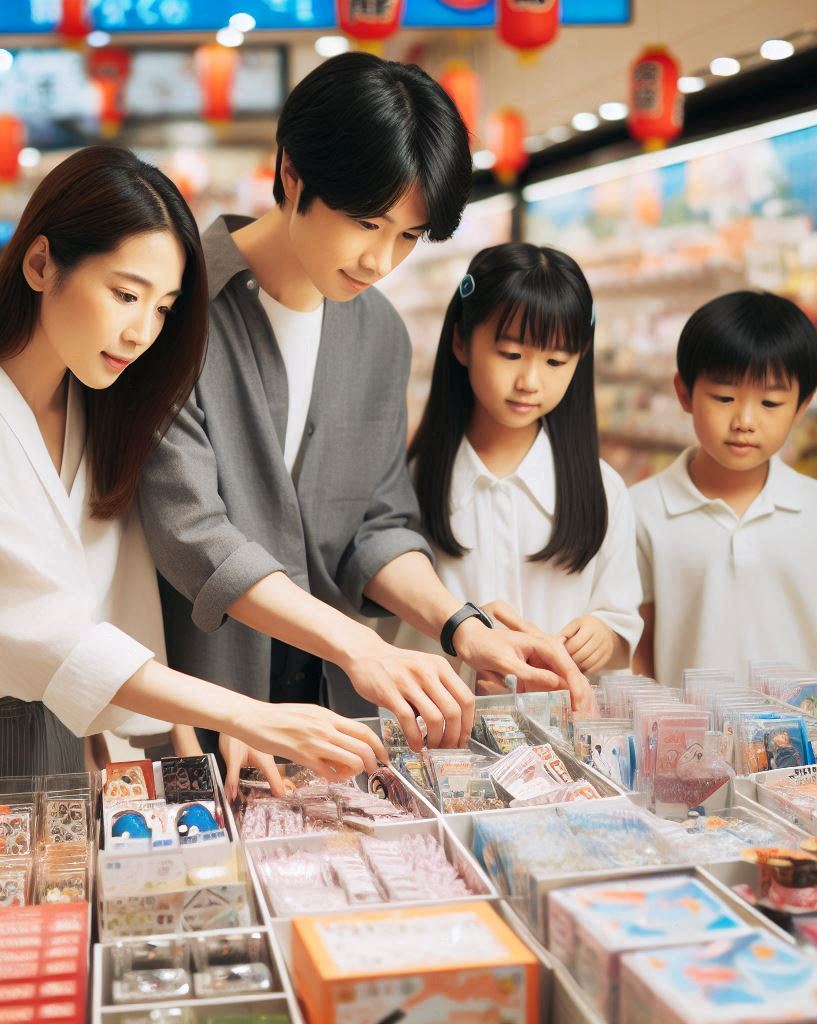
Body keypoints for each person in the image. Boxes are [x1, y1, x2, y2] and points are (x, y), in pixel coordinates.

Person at [0, 146, 383, 793]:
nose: (141, 332)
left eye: (162, 308)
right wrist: (244, 711)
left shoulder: (96, 408)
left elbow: (122, 604)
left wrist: (193, 729)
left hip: (47, 744)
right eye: (125, 294)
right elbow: (30, 625)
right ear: (41, 263)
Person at [140, 53, 587, 788]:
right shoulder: (175, 307)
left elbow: (376, 523)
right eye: (367, 222)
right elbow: (192, 533)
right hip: (200, 709)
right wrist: (361, 645)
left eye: (409, 236)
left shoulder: (378, 333)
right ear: (292, 175)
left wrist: (461, 627)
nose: (381, 259)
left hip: (336, 717)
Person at [396, 244, 642, 676]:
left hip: (559, 733)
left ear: (579, 359)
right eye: (511, 355)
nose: (530, 381)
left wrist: (602, 635)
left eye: (554, 361)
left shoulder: (603, 489)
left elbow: (622, 626)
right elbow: (382, 631)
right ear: (461, 342)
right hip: (440, 734)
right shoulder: (407, 485)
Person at [632, 291, 817, 685]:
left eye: (770, 403)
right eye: (724, 397)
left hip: (805, 739)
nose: (744, 420)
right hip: (689, 743)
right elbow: (637, 648)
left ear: (802, 406)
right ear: (684, 393)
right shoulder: (641, 511)